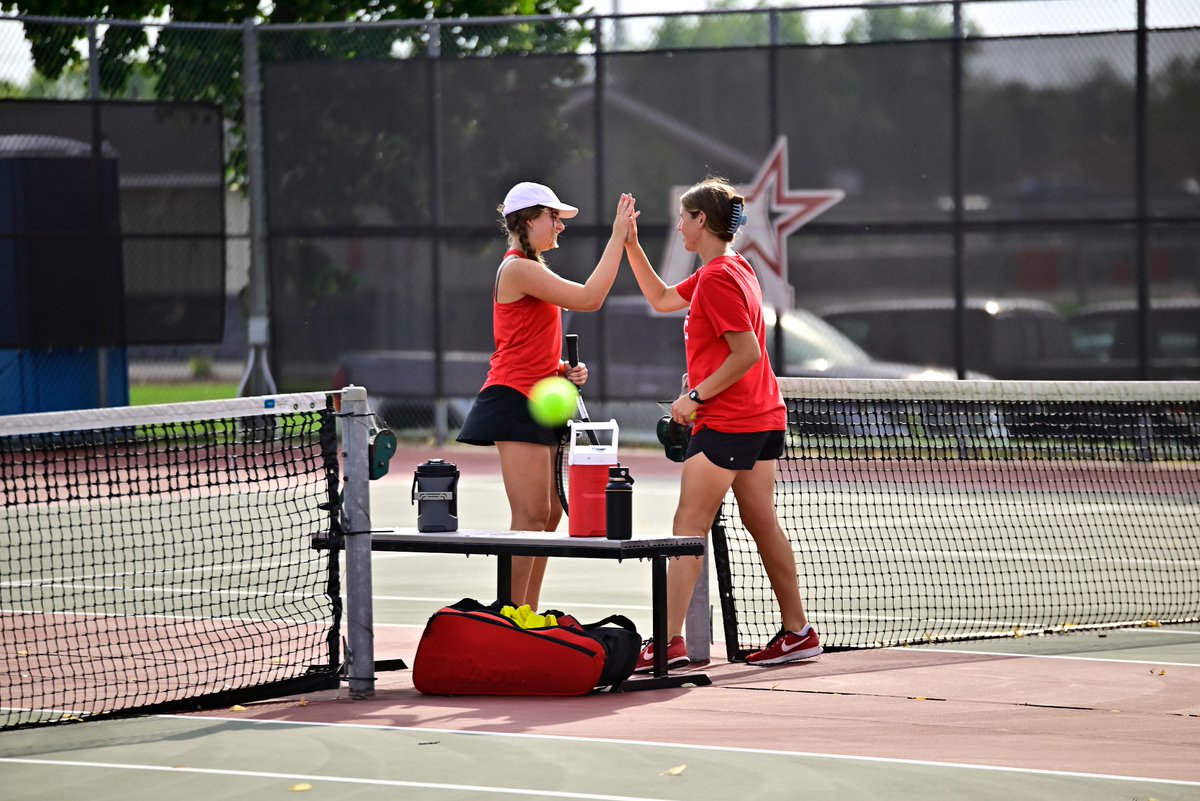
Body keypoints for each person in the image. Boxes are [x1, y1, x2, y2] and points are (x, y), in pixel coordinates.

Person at [623, 177, 821, 669]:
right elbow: (663, 299)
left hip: (732, 420)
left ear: (701, 221)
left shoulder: (717, 277)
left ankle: (667, 642)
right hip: (762, 417)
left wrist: (694, 396)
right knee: (760, 522)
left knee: (687, 526)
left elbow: (747, 353)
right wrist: (630, 245)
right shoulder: (732, 268)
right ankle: (799, 633)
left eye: (684, 219)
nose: (680, 227)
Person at [457, 182, 638, 610]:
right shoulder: (518, 268)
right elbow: (590, 298)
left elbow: (528, 341)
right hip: (511, 399)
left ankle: (526, 615)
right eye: (553, 217)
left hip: (537, 398)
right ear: (526, 221)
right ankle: (510, 618)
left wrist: (561, 368)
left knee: (550, 516)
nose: (560, 224)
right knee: (530, 518)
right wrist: (617, 238)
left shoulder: (531, 268)